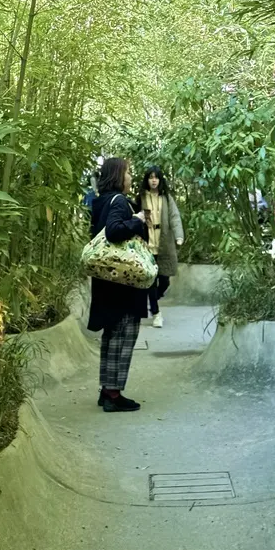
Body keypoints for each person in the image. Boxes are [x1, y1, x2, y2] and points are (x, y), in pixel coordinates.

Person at [88, 156, 148, 413]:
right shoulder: (119, 201)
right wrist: (138, 220)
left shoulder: (101, 200)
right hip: (123, 282)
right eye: (128, 173)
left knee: (112, 335)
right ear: (118, 176)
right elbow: (113, 231)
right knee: (123, 335)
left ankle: (107, 390)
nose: (131, 177)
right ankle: (113, 394)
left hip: (107, 280)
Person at [135, 165, 184, 328]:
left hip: (163, 243)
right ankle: (156, 313)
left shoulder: (167, 198)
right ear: (147, 180)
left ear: (160, 180)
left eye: (156, 177)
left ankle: (153, 298)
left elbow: (175, 217)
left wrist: (178, 236)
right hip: (147, 244)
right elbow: (133, 216)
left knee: (164, 281)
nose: (154, 180)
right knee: (151, 280)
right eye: (151, 177)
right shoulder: (141, 197)